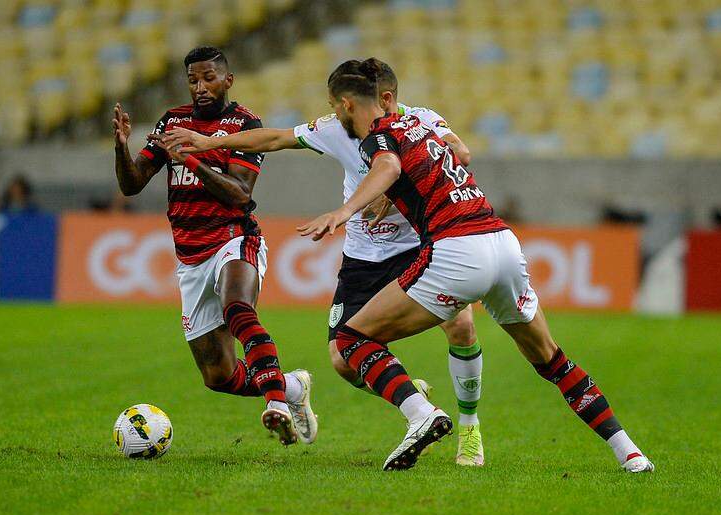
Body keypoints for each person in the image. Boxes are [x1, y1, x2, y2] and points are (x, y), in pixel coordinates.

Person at [295, 60, 655, 473]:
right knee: (552, 360)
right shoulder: (427, 126)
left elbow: (388, 166)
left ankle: (421, 413)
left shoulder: (380, 136)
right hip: (501, 241)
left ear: (351, 104)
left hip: (456, 250)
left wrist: (344, 211)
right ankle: (630, 453)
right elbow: (460, 152)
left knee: (352, 339)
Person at [155, 58, 486, 466]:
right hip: (364, 254)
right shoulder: (337, 127)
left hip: (420, 243)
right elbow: (275, 139)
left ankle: (469, 430)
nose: (342, 111)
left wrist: (396, 181)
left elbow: (461, 151)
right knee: (343, 360)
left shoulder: (422, 120)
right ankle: (409, 396)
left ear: (383, 98)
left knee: (462, 324)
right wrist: (207, 144)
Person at [112, 46, 317, 446]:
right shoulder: (173, 120)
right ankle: (292, 388)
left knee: (237, 305)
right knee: (218, 376)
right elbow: (132, 183)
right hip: (190, 256)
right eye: (193, 80)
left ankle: (275, 403)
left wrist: (190, 159)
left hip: (234, 238)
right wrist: (121, 147)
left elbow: (240, 194)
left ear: (228, 80)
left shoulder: (244, 125)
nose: (200, 87)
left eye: (208, 78)